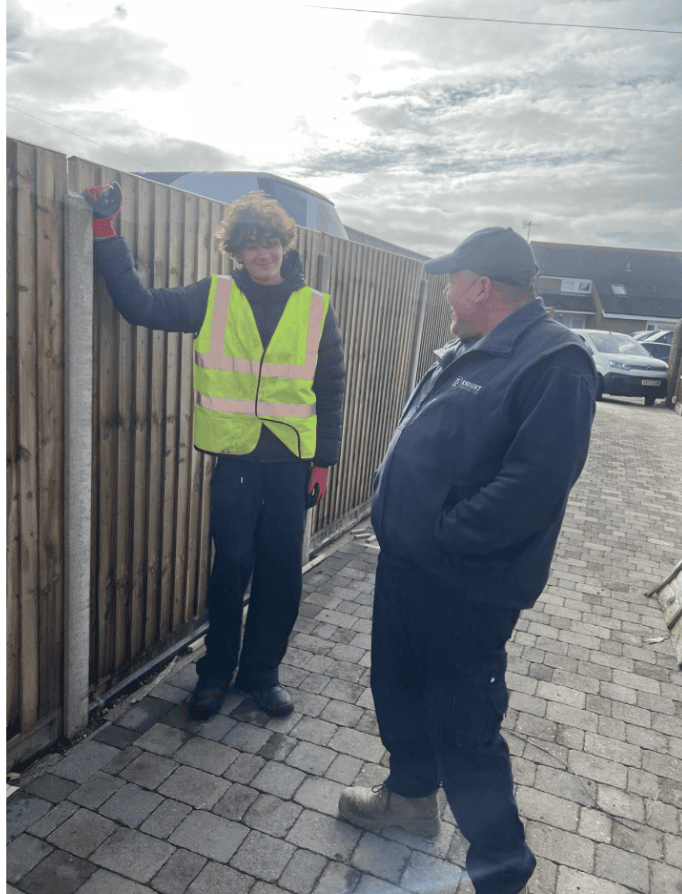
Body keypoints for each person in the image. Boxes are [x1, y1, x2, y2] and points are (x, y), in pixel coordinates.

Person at [337, 227, 597, 894]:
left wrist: (440, 532)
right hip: (409, 569)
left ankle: (501, 871)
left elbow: (529, 491)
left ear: (481, 285)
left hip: (464, 585)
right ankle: (410, 802)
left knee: (465, 727)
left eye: (453, 281)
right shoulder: (471, 346)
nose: (447, 294)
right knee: (397, 690)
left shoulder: (554, 363)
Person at [83, 184, 345, 719]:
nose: (262, 254)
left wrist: (324, 461)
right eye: (250, 245)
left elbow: (331, 386)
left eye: (269, 242)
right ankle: (215, 673)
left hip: (291, 465)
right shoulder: (215, 295)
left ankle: (261, 674)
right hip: (236, 465)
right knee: (230, 571)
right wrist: (107, 232)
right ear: (237, 252)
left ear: (284, 243)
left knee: (281, 576)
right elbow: (141, 305)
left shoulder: (317, 308)